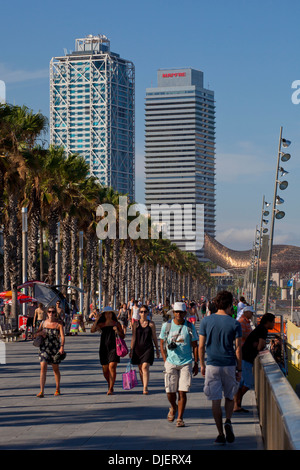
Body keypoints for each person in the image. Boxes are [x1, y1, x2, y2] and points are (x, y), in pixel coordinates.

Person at [199, 290, 242, 445]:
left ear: (216, 304)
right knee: (230, 396)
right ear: (230, 304)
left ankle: (220, 434)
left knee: (215, 400)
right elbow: (238, 349)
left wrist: (202, 364)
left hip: (212, 365)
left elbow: (201, 346)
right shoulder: (235, 323)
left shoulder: (206, 321)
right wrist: (240, 369)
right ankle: (228, 420)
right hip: (229, 365)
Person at [159, 302, 199, 428]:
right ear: (173, 313)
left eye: (181, 312)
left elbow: (195, 346)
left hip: (186, 363)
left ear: (184, 313)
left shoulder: (190, 327)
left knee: (182, 392)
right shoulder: (167, 326)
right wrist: (165, 359)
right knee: (170, 391)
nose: (178, 314)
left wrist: (196, 362)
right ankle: (173, 406)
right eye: (176, 312)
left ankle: (180, 418)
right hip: (171, 362)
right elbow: (162, 342)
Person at [234, 312, 275, 413]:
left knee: (241, 383)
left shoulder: (260, 328)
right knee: (248, 383)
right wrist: (261, 345)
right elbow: (260, 346)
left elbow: (258, 344)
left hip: (244, 357)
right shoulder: (263, 330)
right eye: (273, 322)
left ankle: (237, 405)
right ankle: (236, 403)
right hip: (246, 359)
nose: (274, 324)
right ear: (268, 322)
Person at [91, 306, 125, 395]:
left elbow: (123, 336)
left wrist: (117, 331)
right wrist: (96, 320)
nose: (109, 315)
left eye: (110, 313)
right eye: (107, 313)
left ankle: (110, 388)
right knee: (105, 370)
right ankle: (110, 383)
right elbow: (92, 330)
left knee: (112, 367)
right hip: (103, 347)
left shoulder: (116, 323)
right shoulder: (102, 324)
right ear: (104, 314)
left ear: (112, 314)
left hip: (114, 347)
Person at [34, 306, 65, 397]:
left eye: (53, 312)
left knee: (55, 369)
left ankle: (57, 388)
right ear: (47, 313)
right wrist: (40, 333)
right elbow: (35, 334)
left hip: (55, 348)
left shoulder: (59, 324)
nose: (51, 314)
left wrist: (62, 346)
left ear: (56, 313)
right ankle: (42, 391)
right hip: (44, 348)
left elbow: (62, 336)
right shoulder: (43, 323)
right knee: (43, 366)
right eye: (49, 312)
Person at [129, 305, 160, 394]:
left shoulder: (151, 324)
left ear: (148, 312)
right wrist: (131, 350)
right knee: (140, 368)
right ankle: (144, 384)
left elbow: (154, 337)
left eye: (145, 311)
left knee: (145, 367)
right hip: (137, 349)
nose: (143, 313)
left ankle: (145, 388)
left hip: (148, 348)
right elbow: (133, 337)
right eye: (141, 312)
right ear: (139, 313)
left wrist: (157, 350)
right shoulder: (135, 324)